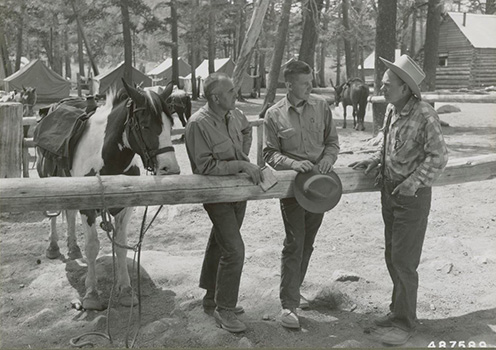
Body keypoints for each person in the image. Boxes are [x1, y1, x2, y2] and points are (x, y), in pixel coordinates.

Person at [349, 55, 448, 346]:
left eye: (386, 84)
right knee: (393, 256)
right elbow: (387, 141)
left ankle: (405, 323)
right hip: (390, 192)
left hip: (411, 197)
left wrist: (412, 183)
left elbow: (439, 156)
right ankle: (397, 311)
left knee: (404, 261)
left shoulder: (425, 114)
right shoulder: (393, 110)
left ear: (405, 88)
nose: (381, 89)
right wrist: (374, 161)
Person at [263, 60, 340, 329]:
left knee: (308, 241)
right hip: (293, 188)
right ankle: (288, 306)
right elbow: (269, 154)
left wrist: (329, 158)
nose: (311, 87)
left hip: (320, 186)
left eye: (311, 82)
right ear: (289, 85)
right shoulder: (273, 114)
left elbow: (332, 142)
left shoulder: (321, 106)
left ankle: (295, 290)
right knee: (294, 242)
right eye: (305, 83)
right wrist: (294, 164)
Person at [185, 72, 263, 333]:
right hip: (216, 194)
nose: (235, 95)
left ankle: (211, 298)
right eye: (230, 92)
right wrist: (240, 164)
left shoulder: (235, 115)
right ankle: (225, 309)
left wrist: (243, 153)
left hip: (237, 192)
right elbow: (204, 165)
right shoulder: (198, 124)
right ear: (216, 98)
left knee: (220, 242)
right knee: (234, 249)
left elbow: (246, 129)